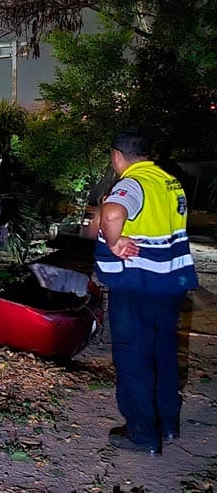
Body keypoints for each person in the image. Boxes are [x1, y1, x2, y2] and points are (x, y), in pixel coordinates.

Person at [94, 127, 198, 455]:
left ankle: (141, 433)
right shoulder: (169, 181)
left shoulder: (131, 183)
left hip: (137, 285)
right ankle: (167, 423)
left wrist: (114, 240)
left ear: (117, 156)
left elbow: (112, 213)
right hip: (168, 285)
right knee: (163, 352)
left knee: (134, 357)